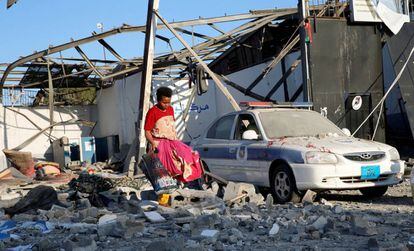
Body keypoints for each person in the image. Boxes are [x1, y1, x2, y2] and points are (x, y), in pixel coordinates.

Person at [144, 87, 202, 184]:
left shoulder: (171, 109)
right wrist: (152, 143)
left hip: (173, 142)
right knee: (163, 172)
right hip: (159, 145)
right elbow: (147, 131)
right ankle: (163, 195)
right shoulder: (152, 112)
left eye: (168, 102)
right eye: (164, 102)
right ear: (158, 100)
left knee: (187, 156)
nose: (167, 105)